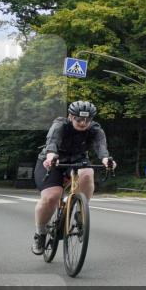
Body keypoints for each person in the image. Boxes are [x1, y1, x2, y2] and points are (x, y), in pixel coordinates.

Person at [32, 101, 116, 254]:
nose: (83, 123)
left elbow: (101, 147)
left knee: (88, 172)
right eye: (79, 119)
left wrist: (106, 160)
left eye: (87, 120)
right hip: (53, 161)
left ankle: (80, 211)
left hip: (77, 160)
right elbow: (52, 142)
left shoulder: (95, 129)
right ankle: (40, 233)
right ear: (70, 116)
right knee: (52, 196)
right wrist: (51, 156)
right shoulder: (60, 125)